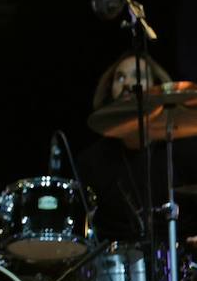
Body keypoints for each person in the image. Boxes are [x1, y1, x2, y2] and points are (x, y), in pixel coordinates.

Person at [76, 52, 194, 248]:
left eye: (138, 76)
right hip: (117, 270)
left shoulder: (182, 149)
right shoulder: (91, 162)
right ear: (109, 90)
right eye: (120, 77)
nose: (127, 84)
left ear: (156, 87)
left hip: (179, 264)